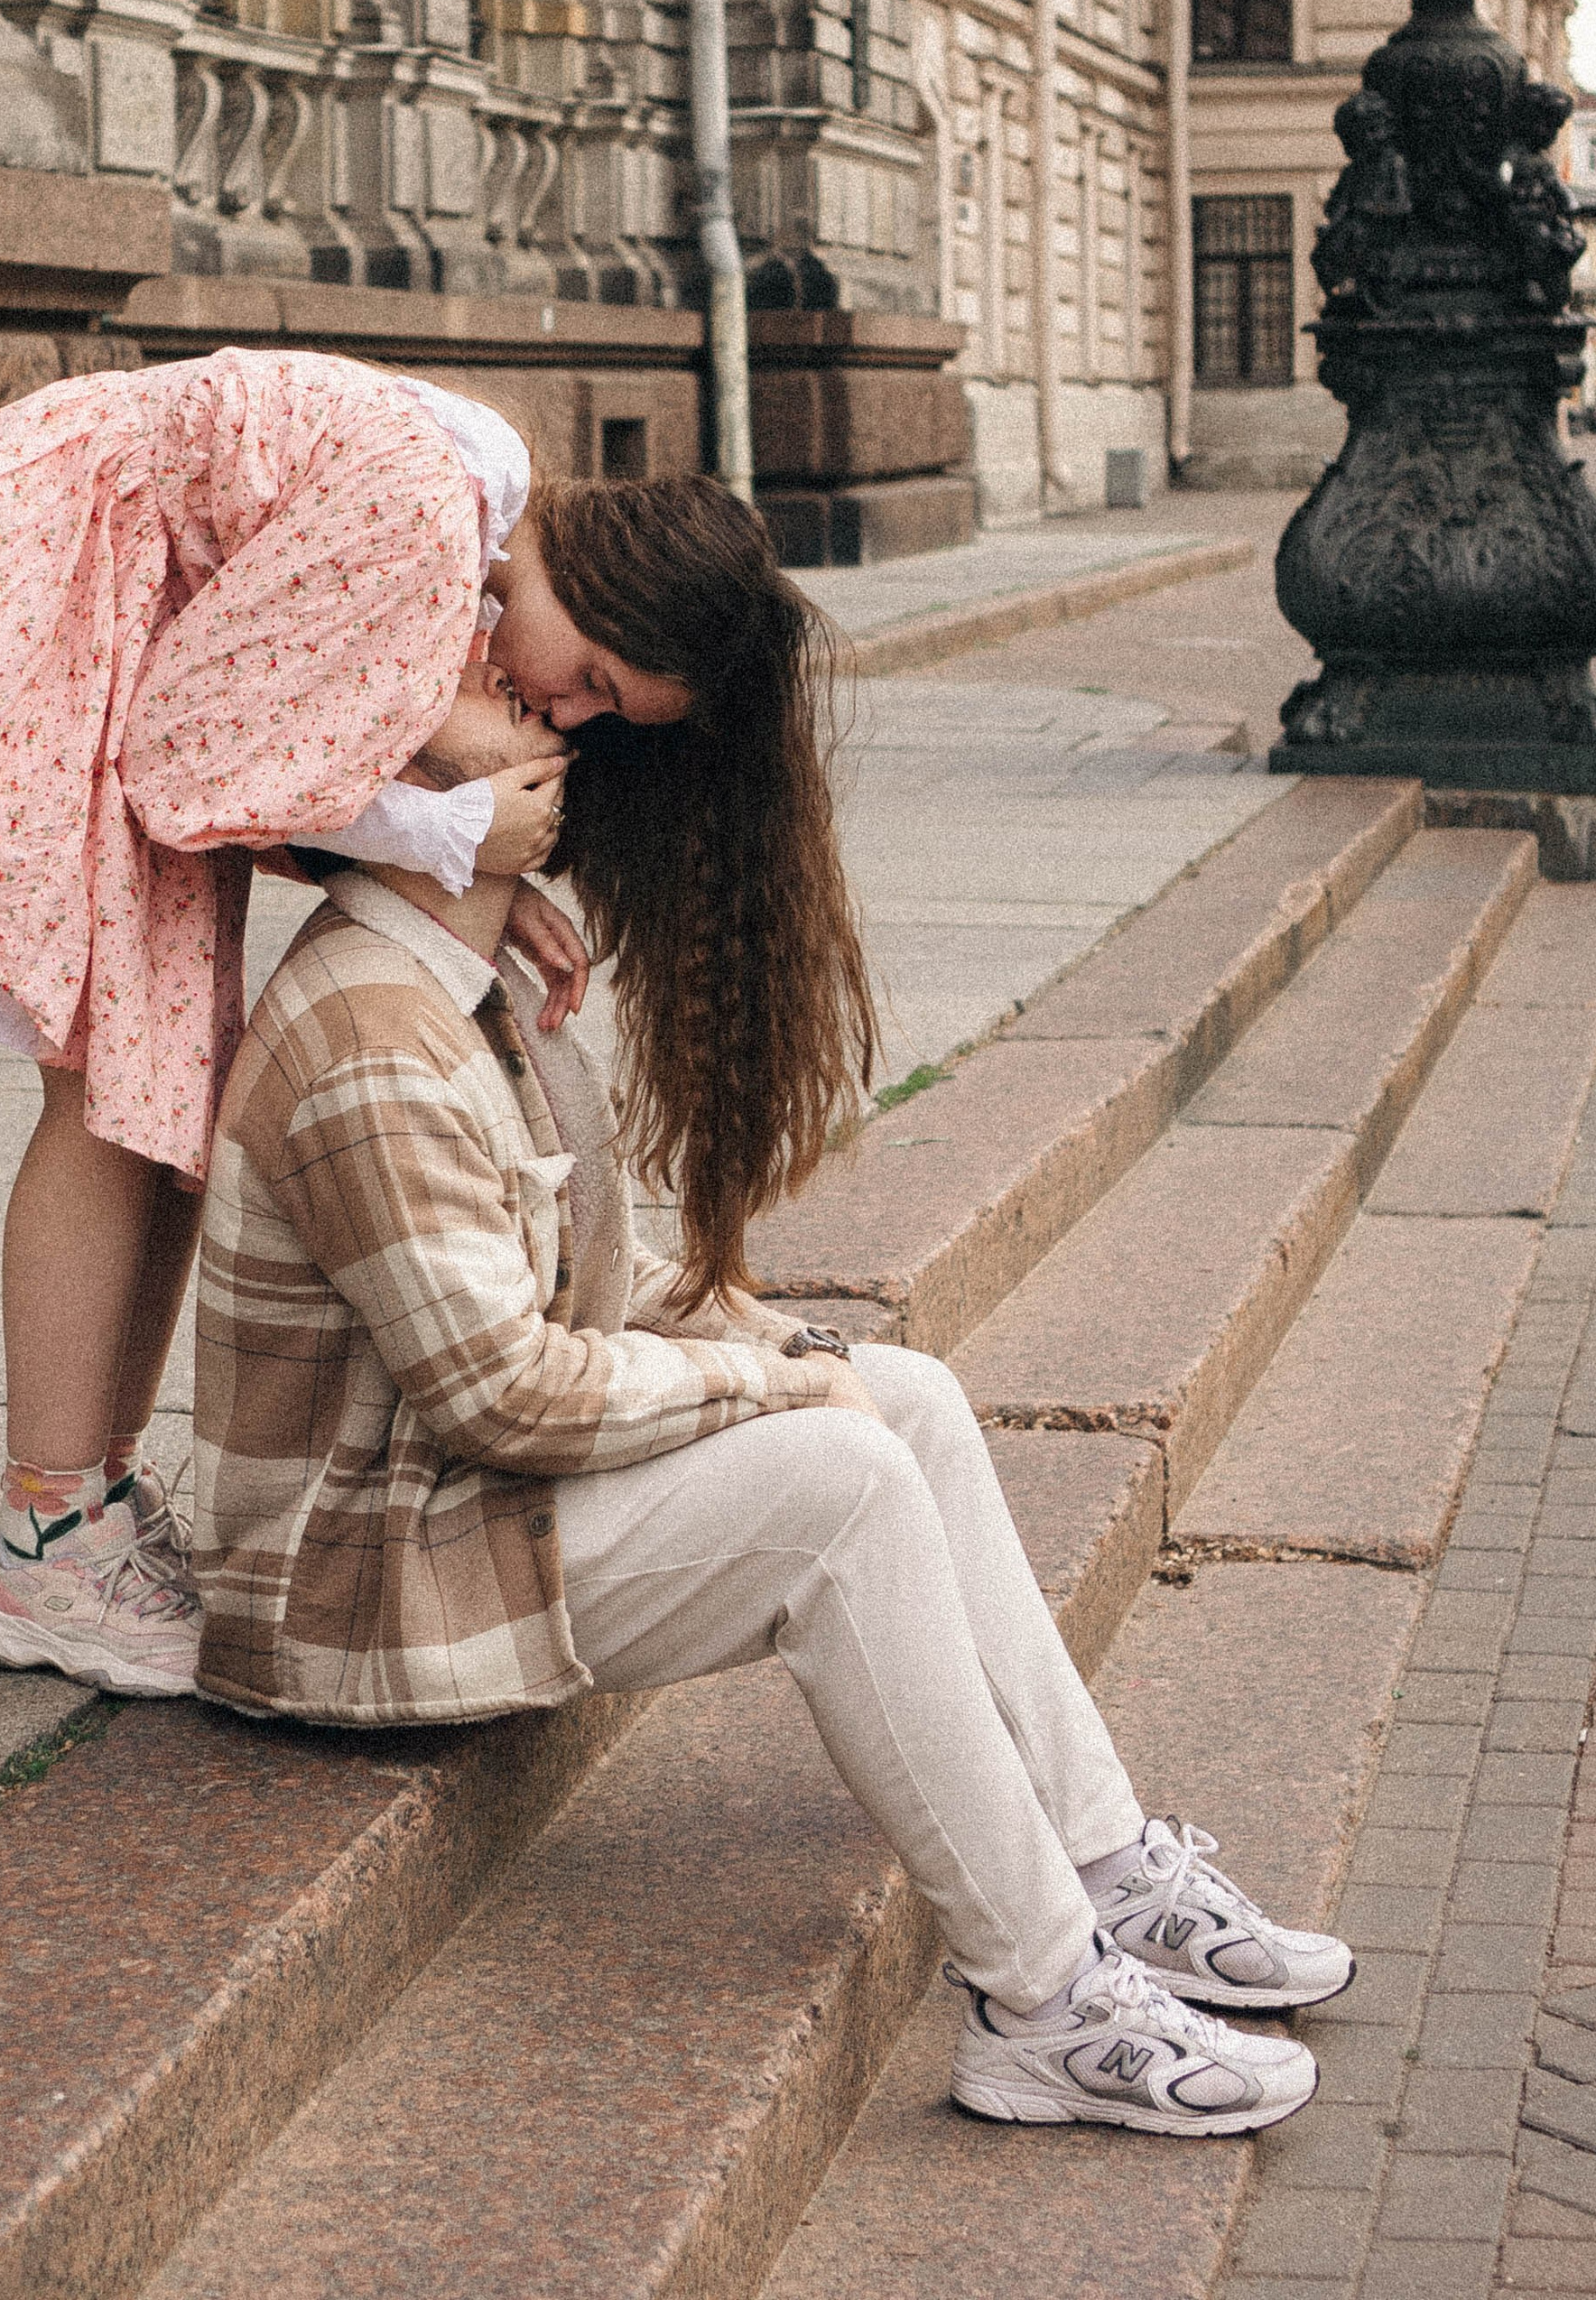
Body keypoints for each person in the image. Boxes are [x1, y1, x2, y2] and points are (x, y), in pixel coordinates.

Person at [193, 639, 1353, 2138]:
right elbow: (498, 1394)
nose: (537, 697)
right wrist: (767, 1395)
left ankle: (1102, 1855)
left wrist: (783, 1354)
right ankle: (1046, 2005)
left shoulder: (458, 973)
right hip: (362, 1582)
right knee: (839, 1484)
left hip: (460, 1495)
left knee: (910, 1398)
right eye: (483, 689)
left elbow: (582, 1289)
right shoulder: (368, 1033)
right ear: (398, 783)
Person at [0, 349, 861, 1698]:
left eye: (602, 714)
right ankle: (45, 1532)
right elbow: (192, 762)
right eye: (591, 675)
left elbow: (269, 746)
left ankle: (85, 1507)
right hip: (42, 604)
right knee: (103, 1083)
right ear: (590, 581)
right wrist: (449, 823)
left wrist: (472, 873)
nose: (570, 710)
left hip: (98, 617)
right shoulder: (429, 518)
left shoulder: (467, 520)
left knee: (161, 1091)